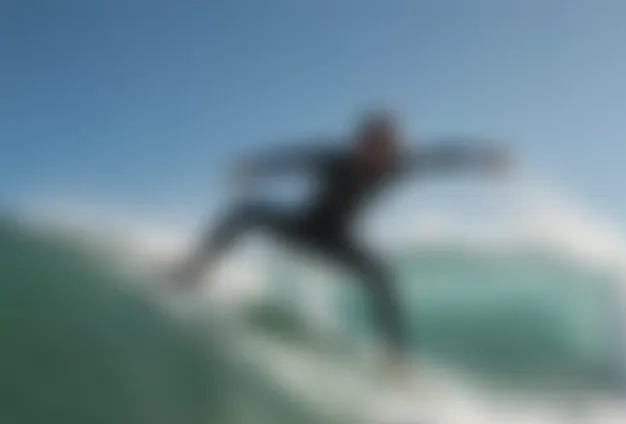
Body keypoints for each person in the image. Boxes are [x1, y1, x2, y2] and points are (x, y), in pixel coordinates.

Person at [172, 113, 512, 374]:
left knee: (383, 275)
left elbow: (438, 158)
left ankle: (395, 357)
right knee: (246, 211)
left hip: (337, 242)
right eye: (368, 143)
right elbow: (292, 158)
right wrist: (254, 166)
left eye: (381, 146)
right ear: (359, 142)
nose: (373, 152)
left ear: (390, 148)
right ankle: (193, 270)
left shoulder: (395, 167)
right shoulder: (335, 160)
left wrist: (481, 158)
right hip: (304, 229)